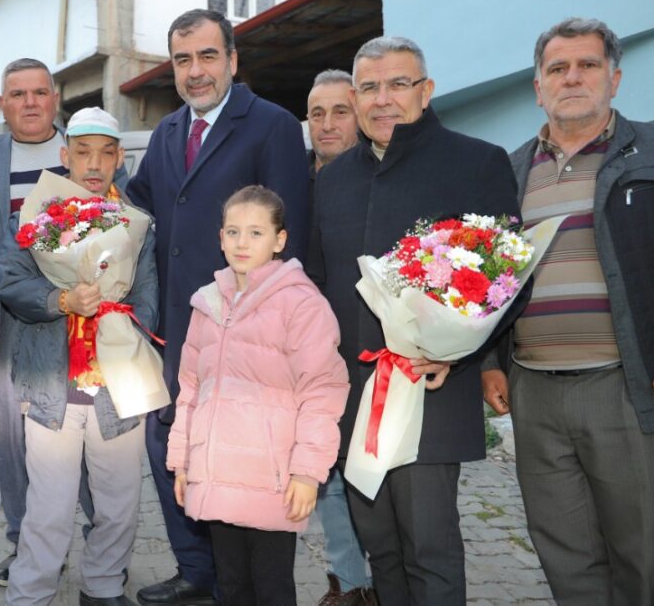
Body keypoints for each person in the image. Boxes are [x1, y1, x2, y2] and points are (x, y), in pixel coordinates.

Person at [306, 36, 519, 606]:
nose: (383, 99)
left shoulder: (477, 162)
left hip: (431, 387)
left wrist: (461, 351)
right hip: (353, 394)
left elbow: (509, 280)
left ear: (425, 91)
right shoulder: (330, 180)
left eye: (398, 84)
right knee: (382, 549)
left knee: (430, 549)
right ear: (354, 96)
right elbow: (319, 286)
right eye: (370, 87)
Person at [481, 17, 654, 606]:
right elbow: (484, 280)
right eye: (557, 68)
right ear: (538, 87)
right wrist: (491, 362)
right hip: (533, 391)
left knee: (646, 553)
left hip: (628, 384)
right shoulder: (506, 173)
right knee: (563, 549)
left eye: (587, 65)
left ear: (614, 78)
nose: (572, 78)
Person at [126, 8, 309, 606]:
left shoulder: (272, 125)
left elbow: (290, 237)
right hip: (177, 327)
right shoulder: (167, 133)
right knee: (172, 446)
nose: (195, 70)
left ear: (232, 60)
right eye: (183, 59)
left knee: (236, 455)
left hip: (245, 330)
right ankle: (195, 570)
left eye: (207, 56)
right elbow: (142, 210)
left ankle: (245, 581)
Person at [0, 106, 156, 606]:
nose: (93, 164)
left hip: (117, 383)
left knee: (119, 500)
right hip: (52, 383)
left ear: (118, 159)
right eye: (82, 152)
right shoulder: (34, 215)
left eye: (104, 154)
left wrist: (120, 313)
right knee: (48, 504)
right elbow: (8, 281)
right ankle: (31, 594)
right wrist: (60, 301)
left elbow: (149, 291)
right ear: (65, 156)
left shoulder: (136, 224)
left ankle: (104, 587)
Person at [167, 185, 348, 606]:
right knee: (230, 587)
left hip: (272, 477)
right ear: (220, 238)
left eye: (255, 233)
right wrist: (182, 460)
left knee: (271, 589)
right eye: (233, 232)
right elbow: (189, 389)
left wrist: (307, 472)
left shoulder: (301, 304)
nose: (242, 243)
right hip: (216, 472)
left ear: (279, 240)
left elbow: (322, 390)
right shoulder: (207, 303)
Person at [0, 58, 71, 585]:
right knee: (14, 437)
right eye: (17, 94)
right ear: (1, 103)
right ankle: (23, 540)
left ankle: (86, 534)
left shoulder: (83, 150)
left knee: (78, 430)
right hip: (5, 319)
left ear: (55, 99)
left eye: (39, 92)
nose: (29, 102)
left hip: (77, 319)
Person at [304, 69, 374, 606]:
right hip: (309, 355)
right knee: (325, 469)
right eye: (316, 113)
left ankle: (379, 578)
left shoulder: (379, 182)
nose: (327, 124)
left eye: (339, 111)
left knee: (369, 470)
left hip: (372, 353)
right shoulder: (297, 184)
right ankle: (349, 582)